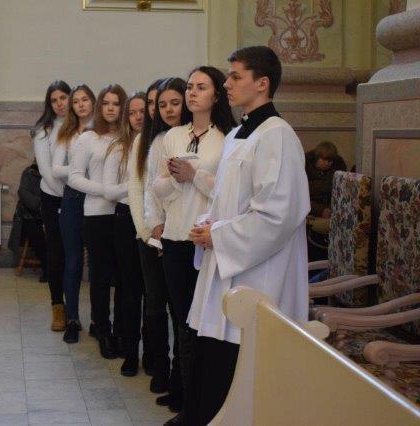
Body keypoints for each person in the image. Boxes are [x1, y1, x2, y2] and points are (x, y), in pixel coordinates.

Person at [185, 46, 310, 425]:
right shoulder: (240, 133)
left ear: (262, 83)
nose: (227, 83)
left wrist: (219, 235)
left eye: (236, 76)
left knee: (242, 367)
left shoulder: (278, 136)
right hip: (228, 266)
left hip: (259, 275)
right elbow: (226, 197)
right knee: (213, 363)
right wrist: (208, 223)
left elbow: (278, 214)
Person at [154, 69, 236, 423]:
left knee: (201, 325)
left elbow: (228, 192)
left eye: (201, 87)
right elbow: (156, 188)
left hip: (205, 241)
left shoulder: (227, 138)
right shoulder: (173, 135)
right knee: (181, 321)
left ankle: (197, 407)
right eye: (189, 87)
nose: (192, 93)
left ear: (216, 95)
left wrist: (194, 176)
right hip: (175, 237)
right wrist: (176, 180)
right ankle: (185, 400)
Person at [130, 78, 188, 401]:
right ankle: (161, 367)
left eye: (171, 103)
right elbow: (142, 188)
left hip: (181, 234)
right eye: (157, 104)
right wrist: (151, 228)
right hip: (151, 234)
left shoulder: (191, 136)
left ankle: (179, 374)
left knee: (180, 309)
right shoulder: (149, 141)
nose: (164, 109)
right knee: (155, 304)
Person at [69, 84, 127, 359]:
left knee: (123, 277)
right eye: (106, 103)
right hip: (96, 214)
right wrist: (106, 190)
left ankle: (121, 330)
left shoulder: (129, 137)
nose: (111, 108)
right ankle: (102, 328)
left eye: (116, 103)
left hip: (125, 214)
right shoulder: (88, 138)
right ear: (99, 106)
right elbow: (74, 177)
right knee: (101, 277)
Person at [103, 91, 147, 376]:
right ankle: (130, 351)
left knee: (152, 294)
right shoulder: (119, 147)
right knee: (129, 289)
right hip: (125, 217)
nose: (138, 117)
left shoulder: (159, 142)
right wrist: (136, 186)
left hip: (154, 220)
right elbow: (109, 191)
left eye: (142, 111)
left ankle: (153, 353)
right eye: (132, 112)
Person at [53, 84, 96, 343]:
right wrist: (80, 171)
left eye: (85, 100)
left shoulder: (103, 130)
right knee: (73, 260)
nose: (80, 104)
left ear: (93, 102)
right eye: (76, 101)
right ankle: (72, 318)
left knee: (98, 262)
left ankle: (98, 321)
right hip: (72, 198)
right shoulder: (66, 132)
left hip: (98, 199)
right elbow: (56, 169)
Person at [32, 80, 71, 332]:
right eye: (54, 100)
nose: (59, 104)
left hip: (82, 197)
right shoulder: (43, 130)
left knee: (75, 256)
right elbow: (47, 172)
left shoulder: (84, 125)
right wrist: (69, 197)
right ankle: (58, 306)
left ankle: (75, 310)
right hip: (53, 197)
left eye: (63, 98)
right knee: (56, 254)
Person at [8, 160, 48, 281]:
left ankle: (55, 266)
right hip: (29, 215)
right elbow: (24, 194)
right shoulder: (29, 173)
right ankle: (47, 268)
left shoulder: (53, 174)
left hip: (49, 215)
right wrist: (42, 205)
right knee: (37, 233)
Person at [305, 141, 347, 218]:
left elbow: (341, 189)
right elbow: (303, 191)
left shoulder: (339, 163)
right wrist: (320, 210)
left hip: (331, 203)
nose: (328, 163)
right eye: (325, 160)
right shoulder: (306, 164)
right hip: (311, 204)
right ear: (317, 158)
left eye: (330, 161)